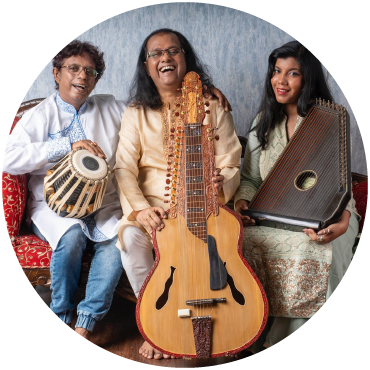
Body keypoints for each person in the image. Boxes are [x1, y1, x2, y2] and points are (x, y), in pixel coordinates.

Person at [114, 28, 242, 360]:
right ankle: (158, 324)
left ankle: (228, 320)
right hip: (155, 211)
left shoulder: (213, 105)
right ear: (146, 66)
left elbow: (231, 162)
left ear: (186, 58)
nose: (165, 57)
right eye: (156, 53)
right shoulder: (136, 113)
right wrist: (140, 210)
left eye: (173, 50)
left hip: (206, 208)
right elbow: (124, 168)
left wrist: (221, 185)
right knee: (129, 240)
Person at [234, 41, 359, 353]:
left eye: (292, 74)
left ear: (308, 80)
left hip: (331, 218)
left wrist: (343, 223)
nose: (281, 80)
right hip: (273, 216)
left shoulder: (328, 122)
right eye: (277, 71)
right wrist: (241, 203)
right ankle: (248, 334)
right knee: (239, 242)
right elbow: (249, 178)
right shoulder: (263, 121)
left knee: (313, 245)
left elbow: (341, 190)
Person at [3, 40, 125, 339]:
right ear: (57, 73)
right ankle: (61, 317)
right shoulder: (40, 115)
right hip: (51, 206)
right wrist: (65, 146)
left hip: (103, 206)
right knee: (70, 236)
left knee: (119, 241)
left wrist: (205, 94)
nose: (82, 76)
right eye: (73, 68)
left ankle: (85, 323)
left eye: (90, 71)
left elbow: (154, 111)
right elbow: (7, 158)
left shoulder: (110, 106)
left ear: (96, 79)